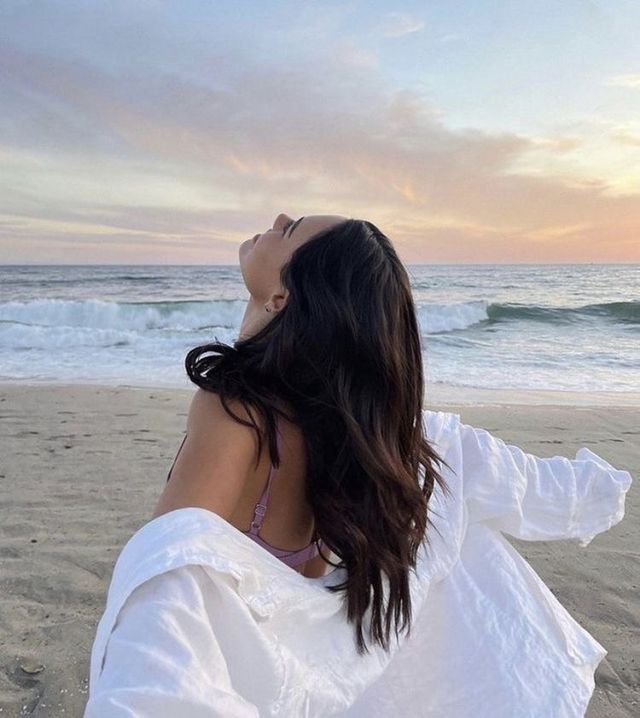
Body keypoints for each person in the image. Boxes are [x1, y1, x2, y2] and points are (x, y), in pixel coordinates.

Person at [84, 214, 633, 717]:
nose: (276, 219)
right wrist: (602, 489)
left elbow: (165, 574)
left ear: (282, 296)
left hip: (239, 670)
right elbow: (514, 479)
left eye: (291, 227)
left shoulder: (235, 413)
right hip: (304, 669)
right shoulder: (367, 439)